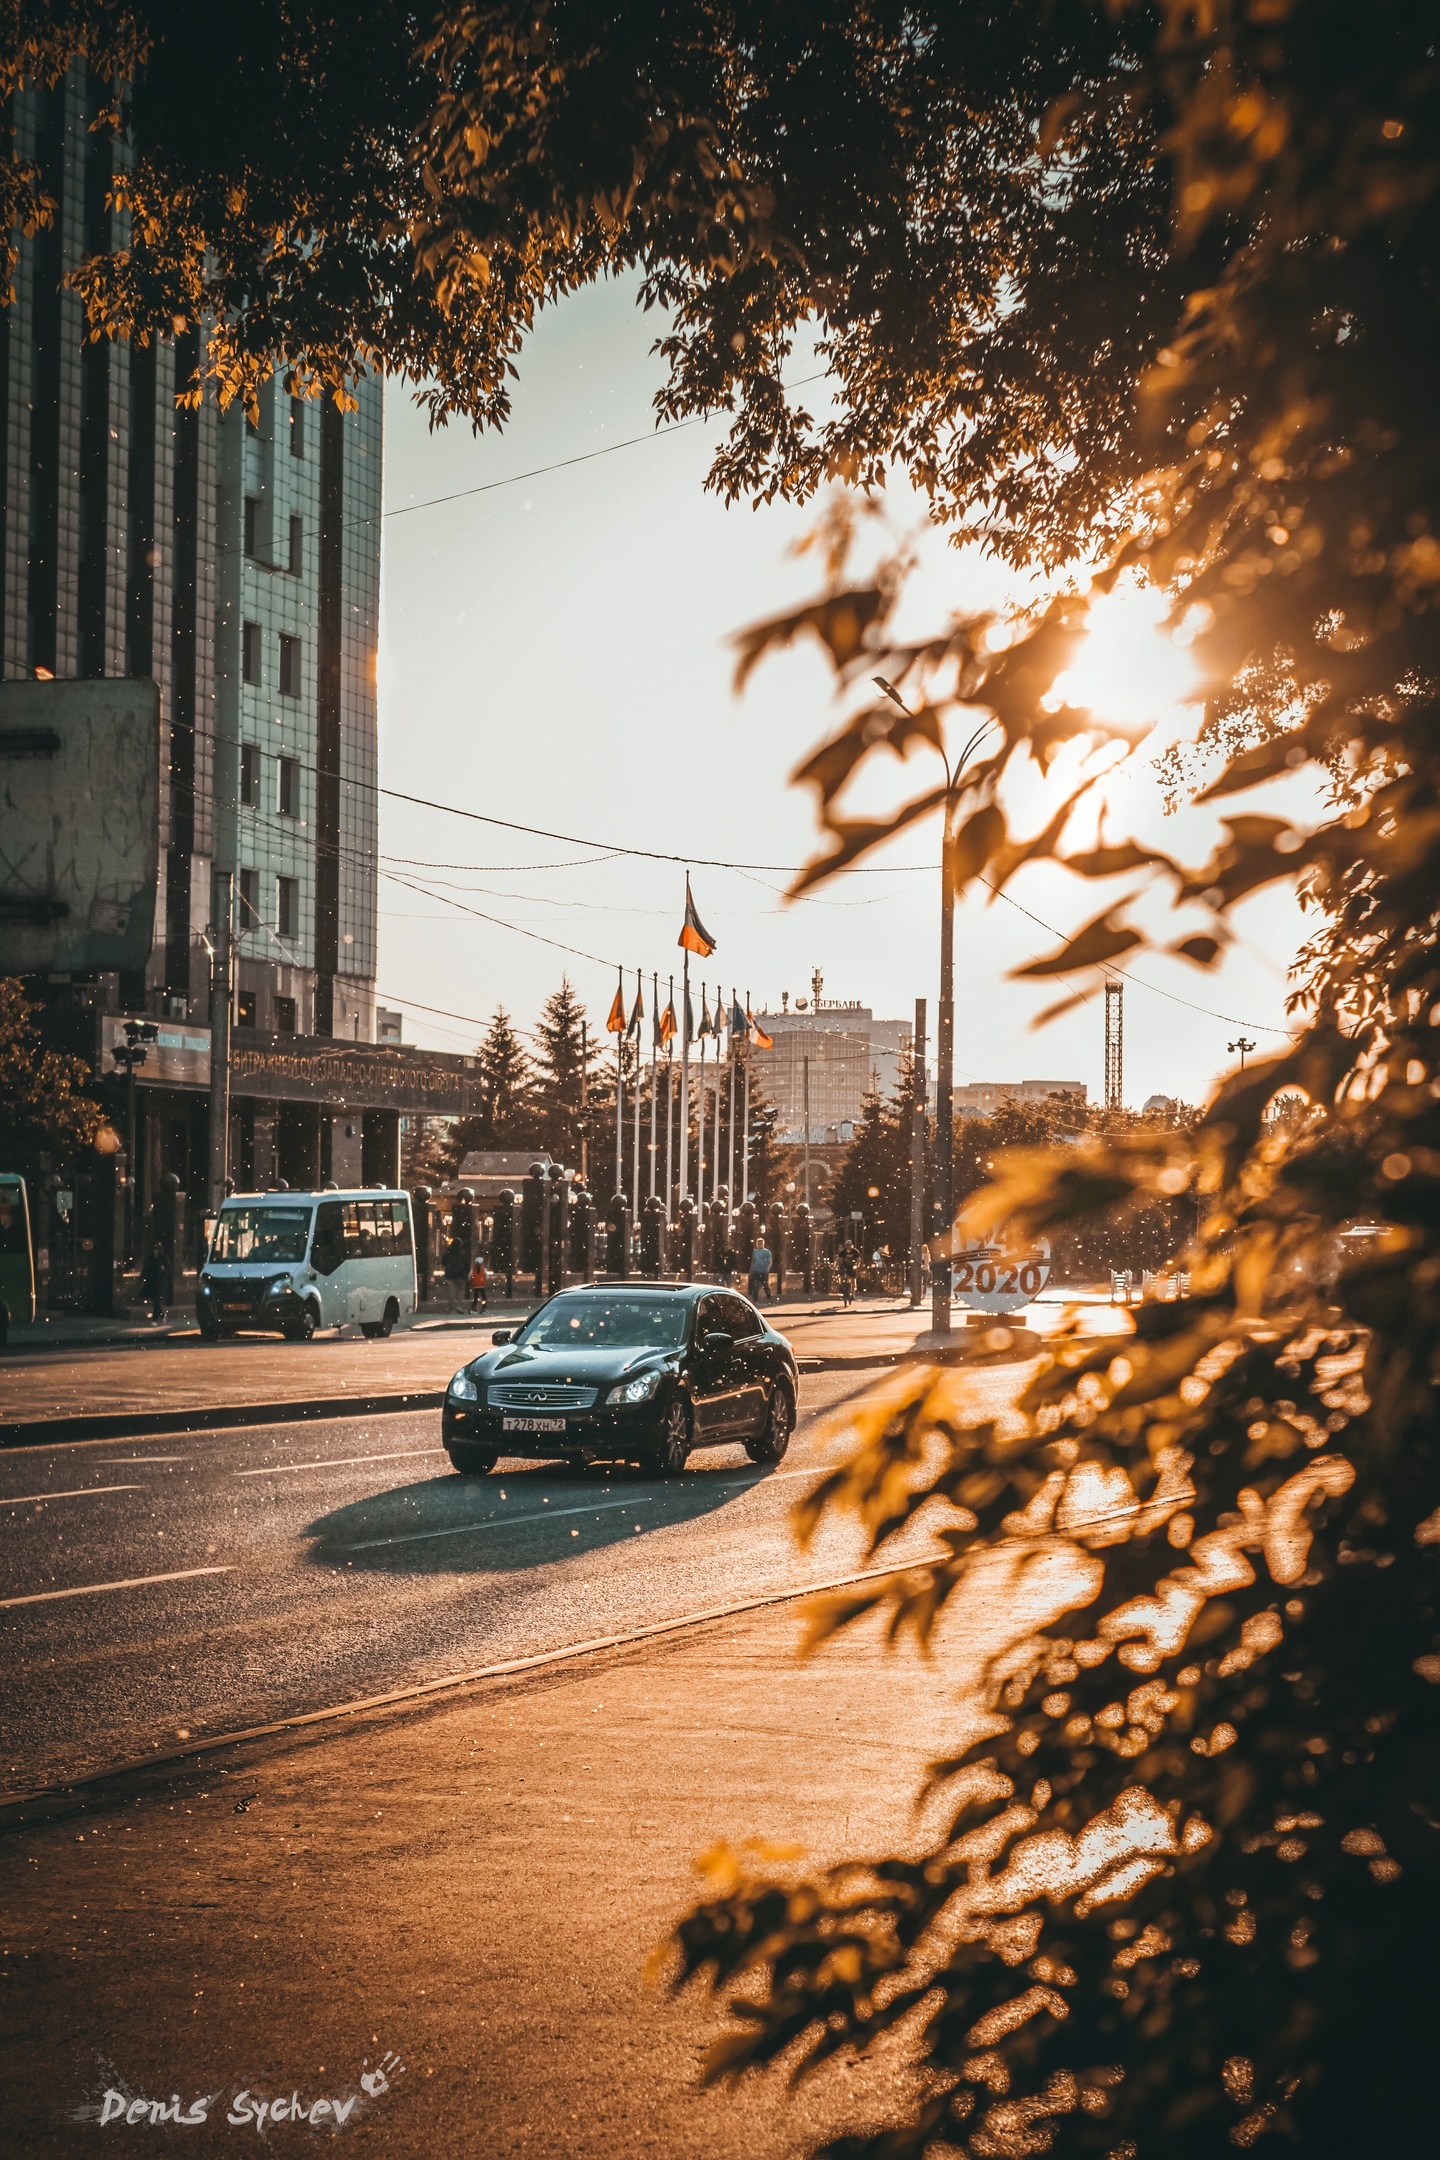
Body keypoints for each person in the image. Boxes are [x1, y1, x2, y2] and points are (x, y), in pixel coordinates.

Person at [747, 1238, 772, 1304]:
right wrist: (751, 1270)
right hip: (756, 1270)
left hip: (763, 1271)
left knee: (765, 1285)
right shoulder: (755, 1252)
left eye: (761, 1243)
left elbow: (770, 1261)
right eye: (758, 1243)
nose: (760, 1245)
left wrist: (767, 1268)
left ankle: (769, 1299)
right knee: (755, 1286)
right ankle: (756, 1301)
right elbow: (753, 1261)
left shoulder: (767, 1252)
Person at [837, 1239, 860, 1306]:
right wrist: (836, 1266)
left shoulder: (855, 1251)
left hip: (852, 1267)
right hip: (845, 1267)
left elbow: (858, 1259)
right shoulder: (843, 1252)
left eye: (849, 1245)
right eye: (847, 1245)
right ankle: (843, 1287)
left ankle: (853, 1294)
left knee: (853, 1280)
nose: (848, 1247)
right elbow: (838, 1259)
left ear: (851, 1245)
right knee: (842, 1277)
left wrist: (857, 1266)